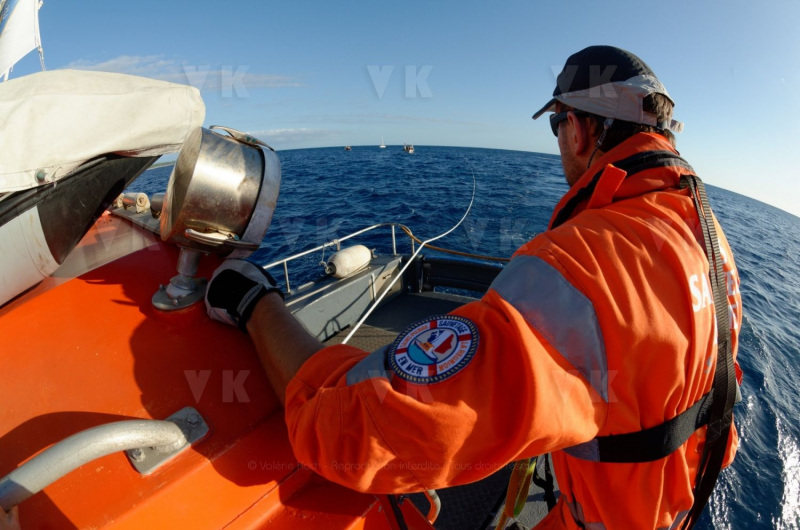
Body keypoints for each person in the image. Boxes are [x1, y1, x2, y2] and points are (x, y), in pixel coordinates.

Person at [206, 45, 743, 529]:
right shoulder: (710, 243)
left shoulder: (586, 265)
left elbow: (359, 433)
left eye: (556, 125)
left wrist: (254, 299)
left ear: (578, 129)